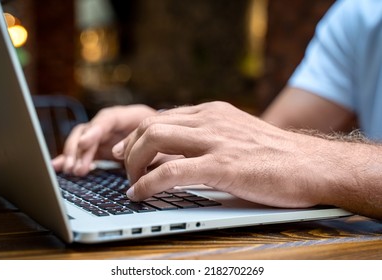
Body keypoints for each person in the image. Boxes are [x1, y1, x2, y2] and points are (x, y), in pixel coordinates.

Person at [53, 0, 382, 219]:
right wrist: (172, 137)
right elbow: (271, 143)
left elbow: (293, 155)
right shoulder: (358, 13)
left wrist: (322, 162)